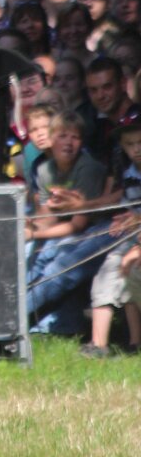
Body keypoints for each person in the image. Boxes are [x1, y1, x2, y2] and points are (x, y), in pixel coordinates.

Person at [25, 111, 108, 334]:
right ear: (51, 139)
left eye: (75, 137)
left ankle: (16, 316)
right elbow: (47, 217)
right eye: (62, 136)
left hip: (93, 229)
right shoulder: (44, 170)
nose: (69, 143)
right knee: (33, 252)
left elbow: (78, 224)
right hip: (62, 229)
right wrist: (30, 227)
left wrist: (35, 234)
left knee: (56, 259)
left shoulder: (88, 168)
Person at [81, 120, 141, 357]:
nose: (136, 149)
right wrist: (125, 219)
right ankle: (99, 344)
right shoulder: (130, 174)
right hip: (134, 237)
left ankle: (135, 341)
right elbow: (131, 207)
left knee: (131, 270)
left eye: (140, 143)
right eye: (130, 144)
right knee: (107, 273)